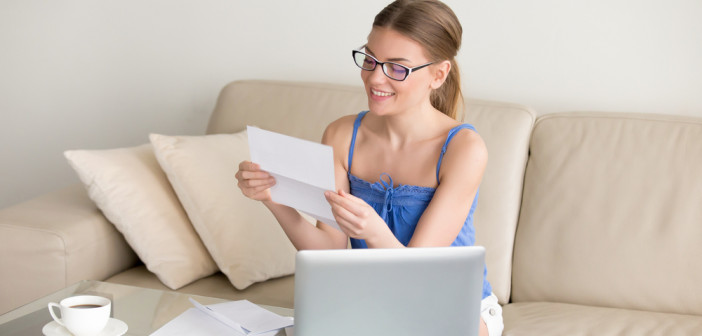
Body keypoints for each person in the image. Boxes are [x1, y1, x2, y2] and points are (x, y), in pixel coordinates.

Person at [235, 0, 503, 334]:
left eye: (397, 68)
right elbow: (329, 251)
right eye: (370, 59)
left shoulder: (463, 149)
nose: (375, 77)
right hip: (373, 300)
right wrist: (274, 199)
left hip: (448, 305)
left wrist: (372, 230)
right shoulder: (342, 135)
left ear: (438, 74)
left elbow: (418, 278)